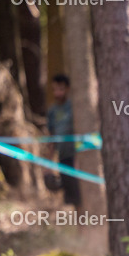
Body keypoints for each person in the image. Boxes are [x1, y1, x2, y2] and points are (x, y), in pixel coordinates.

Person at [46, 74, 81, 207]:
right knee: (71, 198)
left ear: (67, 89)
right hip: (63, 158)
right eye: (54, 89)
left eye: (60, 89)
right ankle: (82, 226)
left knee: (80, 194)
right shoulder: (52, 111)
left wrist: (79, 158)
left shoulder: (74, 107)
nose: (57, 93)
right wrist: (48, 164)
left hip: (76, 157)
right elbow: (52, 138)